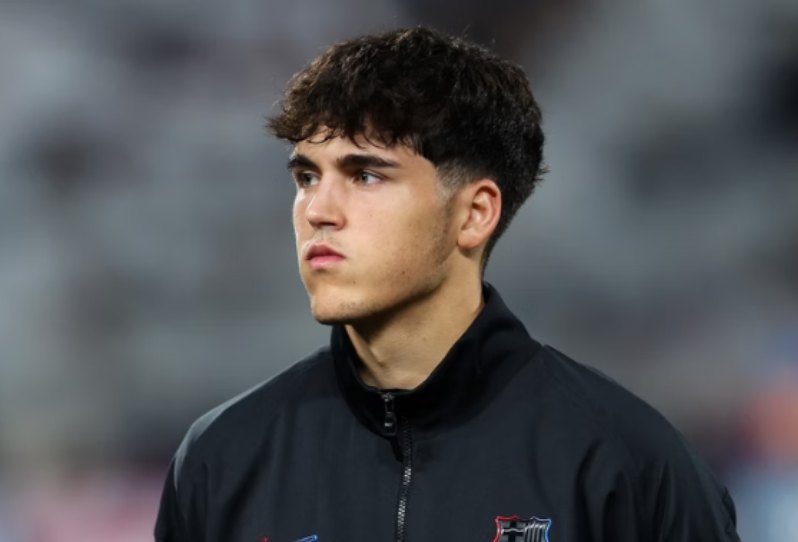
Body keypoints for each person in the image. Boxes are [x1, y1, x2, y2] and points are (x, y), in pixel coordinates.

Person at [154, 27, 740, 541]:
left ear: (475, 214)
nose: (317, 211)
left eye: (365, 175)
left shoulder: (625, 464)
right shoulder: (222, 459)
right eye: (307, 177)